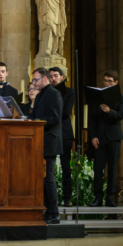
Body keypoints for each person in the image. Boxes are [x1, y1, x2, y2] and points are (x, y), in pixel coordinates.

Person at [28, 67, 63, 224]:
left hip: (49, 141)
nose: (34, 83)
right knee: (41, 178)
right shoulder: (41, 95)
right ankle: (47, 210)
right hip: (39, 141)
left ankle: (54, 212)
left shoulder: (54, 94)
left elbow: (55, 118)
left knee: (48, 178)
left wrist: (36, 123)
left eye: (36, 80)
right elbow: (35, 116)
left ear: (45, 79)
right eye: (33, 80)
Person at [88, 71, 123, 207]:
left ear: (116, 82)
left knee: (112, 168)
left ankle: (110, 198)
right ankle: (98, 198)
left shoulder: (121, 98)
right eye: (105, 81)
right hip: (100, 138)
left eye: (110, 81)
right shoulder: (97, 99)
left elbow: (121, 115)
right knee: (98, 168)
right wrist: (93, 136)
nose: (107, 83)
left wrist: (110, 111)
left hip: (114, 137)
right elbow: (92, 119)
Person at [49, 67, 75, 206]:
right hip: (50, 133)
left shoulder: (69, 92)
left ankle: (67, 198)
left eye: (56, 76)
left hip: (64, 133)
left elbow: (66, 112)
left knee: (66, 167)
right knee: (48, 168)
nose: (53, 79)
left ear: (62, 76)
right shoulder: (47, 92)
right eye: (51, 76)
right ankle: (49, 198)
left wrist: (52, 113)